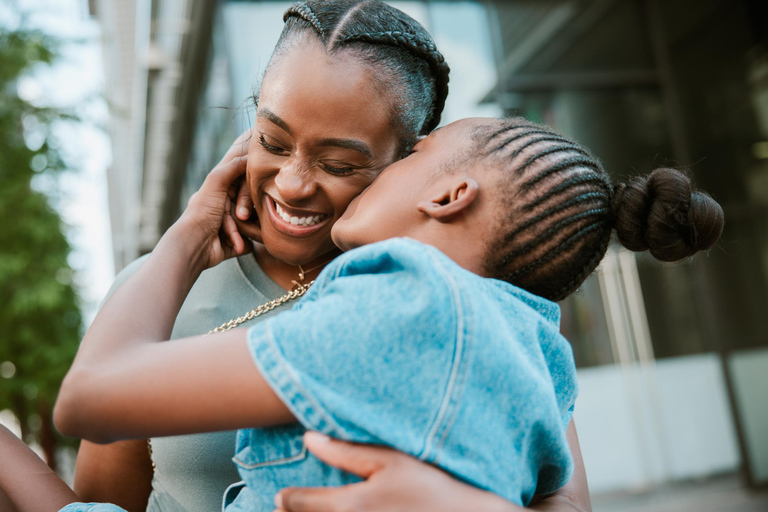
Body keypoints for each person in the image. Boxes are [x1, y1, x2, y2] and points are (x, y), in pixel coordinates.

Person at [1, 115, 724, 512]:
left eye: (410, 152)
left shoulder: (400, 299)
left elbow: (87, 398)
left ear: (448, 196)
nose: (296, 179)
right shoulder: (535, 336)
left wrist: (185, 235)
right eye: (272, 138)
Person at [71, 2, 593, 512]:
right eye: (272, 141)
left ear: (406, 159)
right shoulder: (154, 291)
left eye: (338, 163)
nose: (293, 185)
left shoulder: (461, 304)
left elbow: (564, 499)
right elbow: (99, 498)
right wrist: (186, 238)